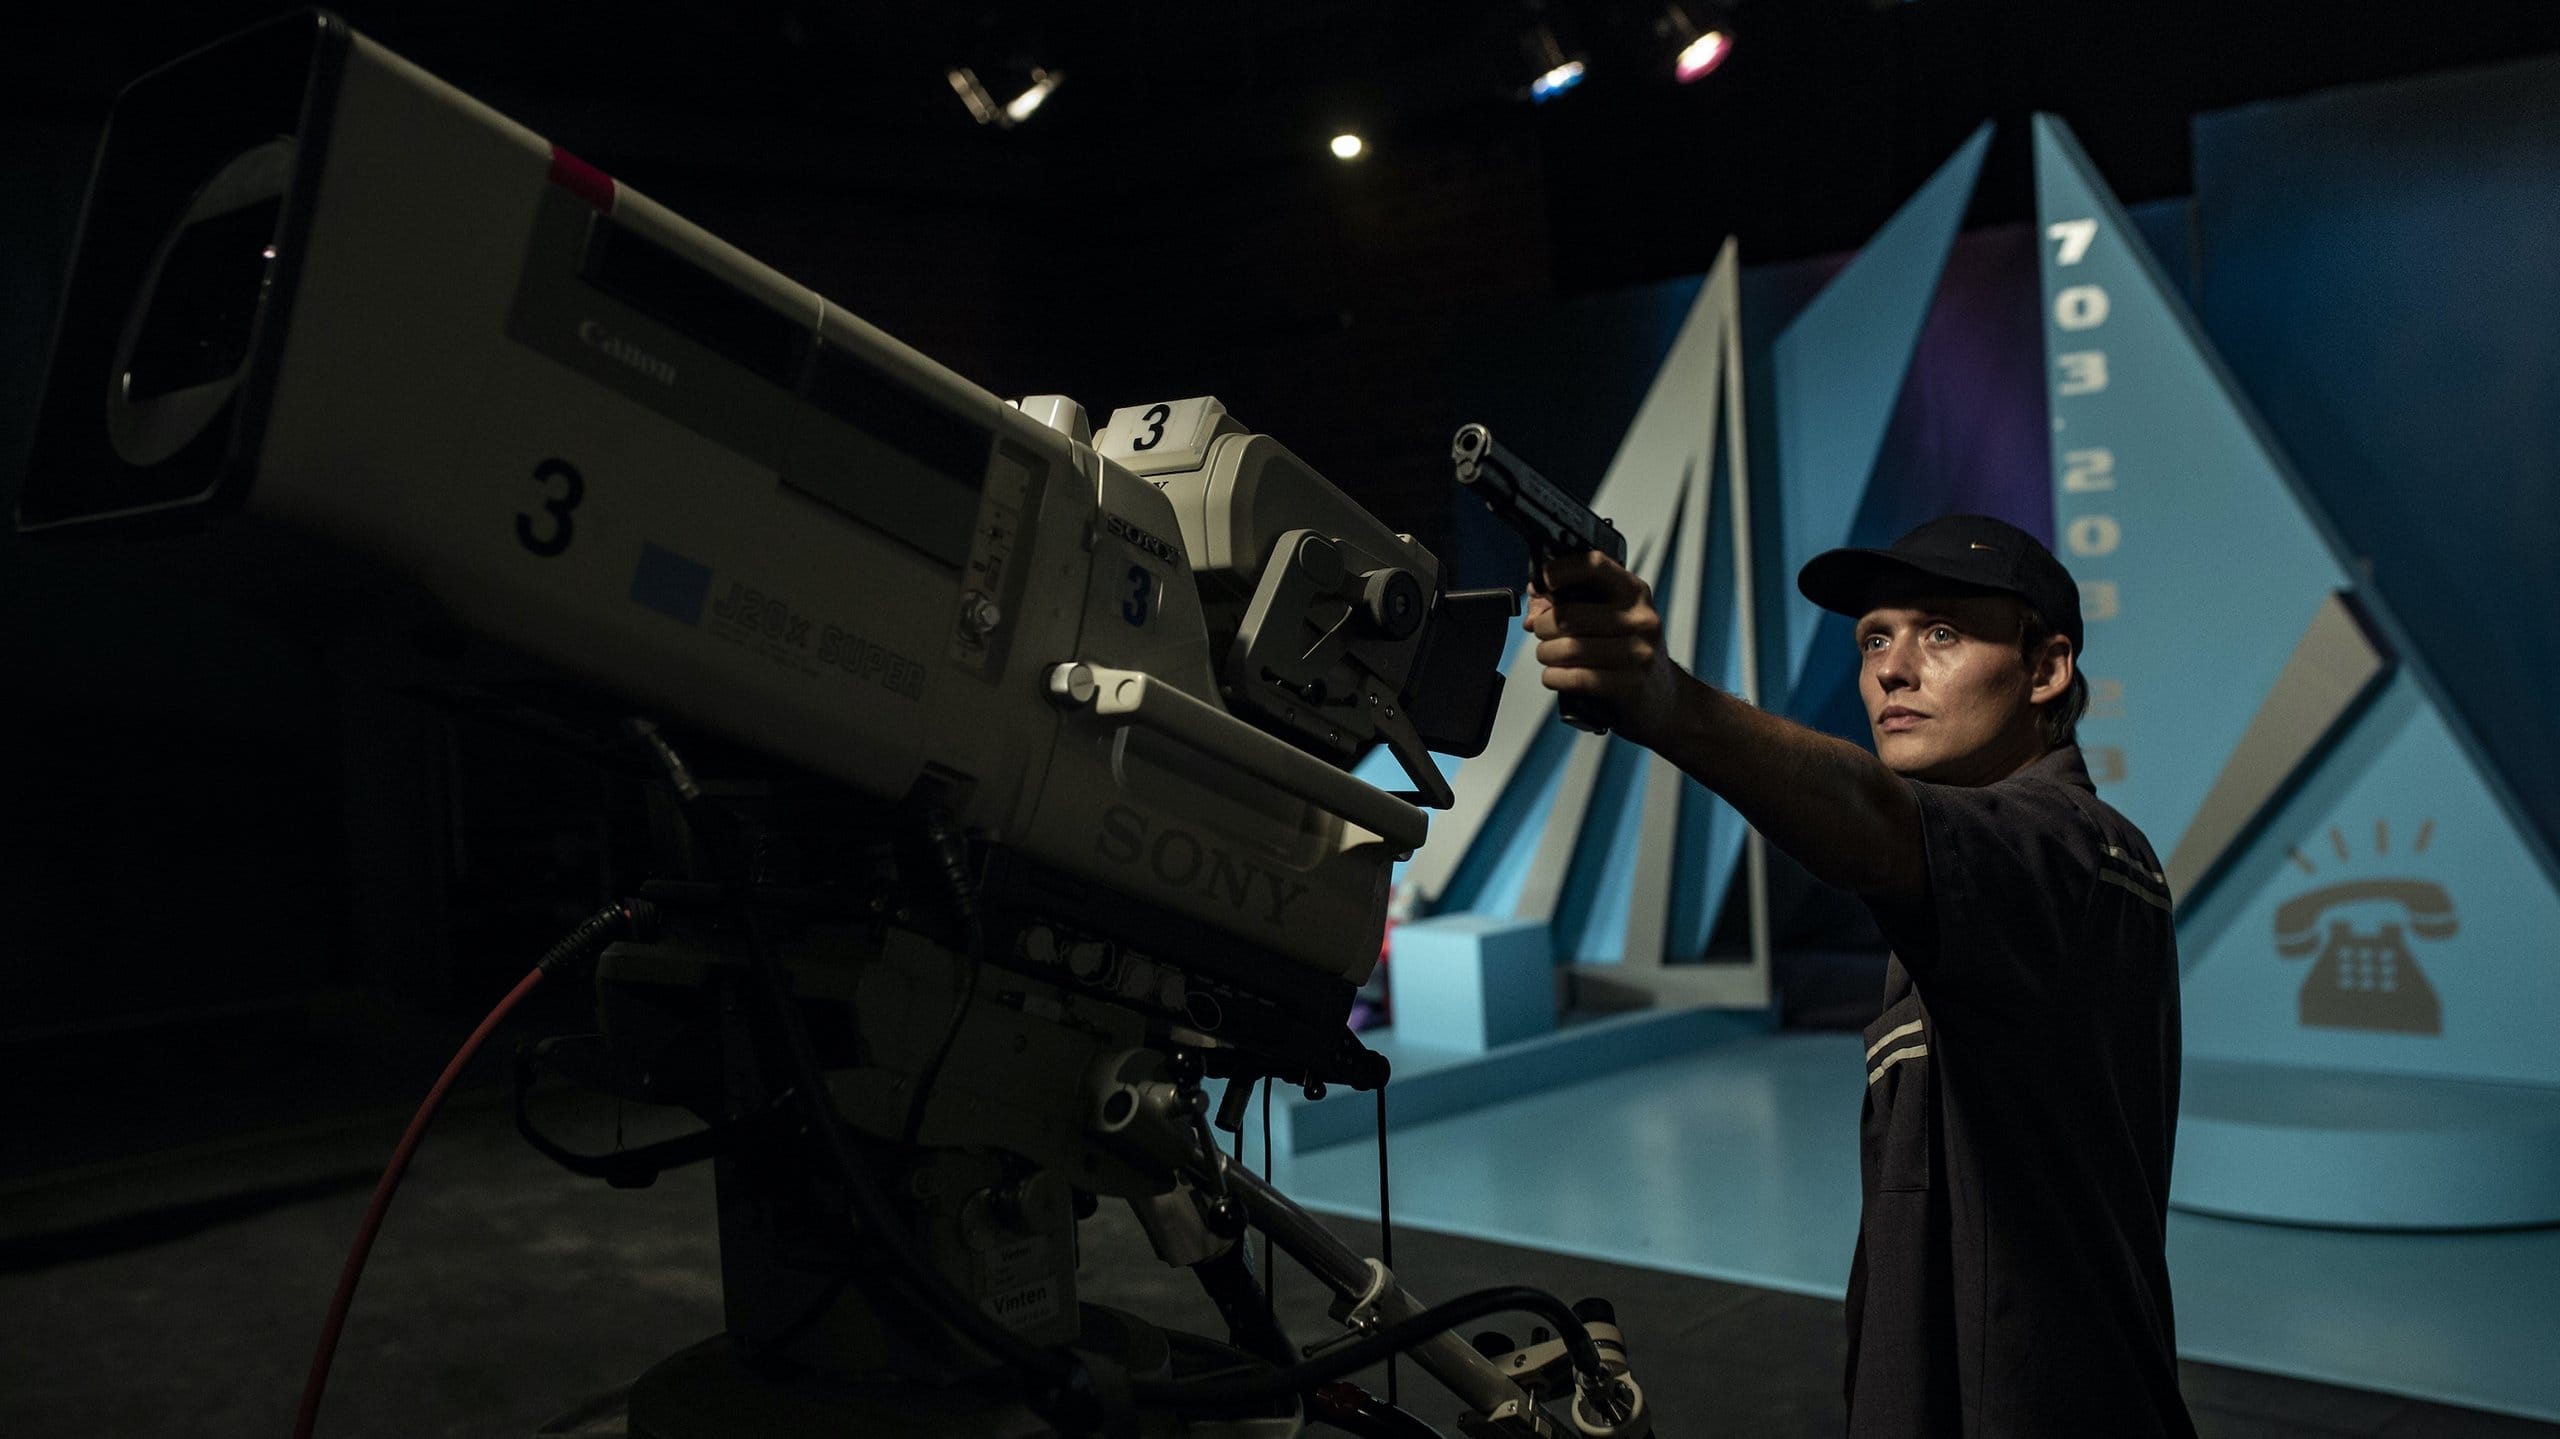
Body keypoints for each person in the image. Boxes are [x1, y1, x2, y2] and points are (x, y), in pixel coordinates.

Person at [1525, 514, 2195, 1438]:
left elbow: (1874, 815)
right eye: (1875, 639)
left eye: (1942, 633)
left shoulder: (2070, 849)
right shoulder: (1968, 887)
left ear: (2046, 669)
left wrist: (1665, 699)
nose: (1892, 669)